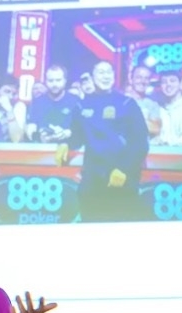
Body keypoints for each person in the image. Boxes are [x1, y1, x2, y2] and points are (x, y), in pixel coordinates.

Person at [55, 60, 151, 222]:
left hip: (122, 180)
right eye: (101, 72)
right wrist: (66, 143)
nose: (105, 76)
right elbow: (76, 135)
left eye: (109, 72)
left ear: (114, 76)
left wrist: (124, 169)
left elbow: (140, 142)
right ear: (92, 77)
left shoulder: (127, 103)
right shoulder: (82, 105)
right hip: (92, 181)